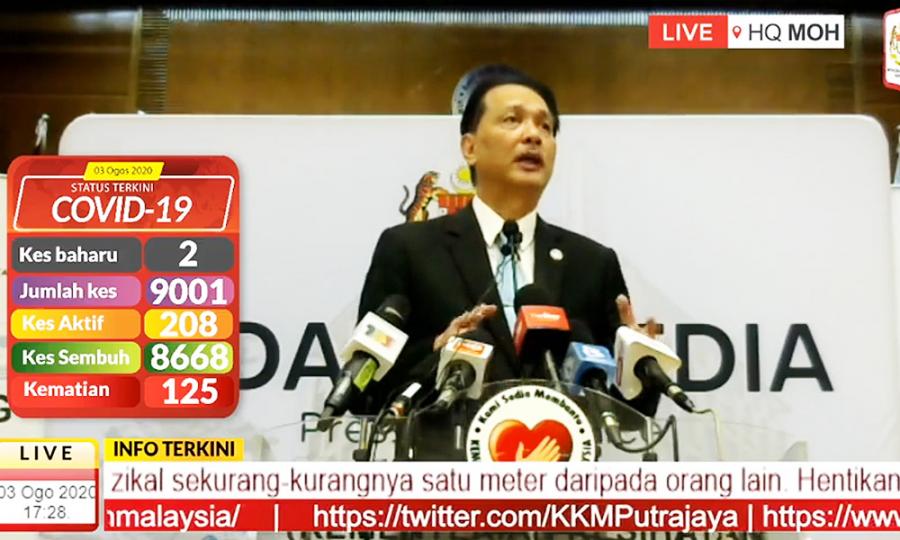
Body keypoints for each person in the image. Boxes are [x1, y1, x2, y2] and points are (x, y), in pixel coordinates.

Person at [352, 65, 657, 419]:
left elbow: (628, 415)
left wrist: (639, 364)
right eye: (513, 120)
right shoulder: (410, 249)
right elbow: (364, 393)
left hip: (560, 453)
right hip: (448, 453)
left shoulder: (592, 263)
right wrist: (438, 351)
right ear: (470, 148)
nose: (533, 136)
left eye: (545, 127)